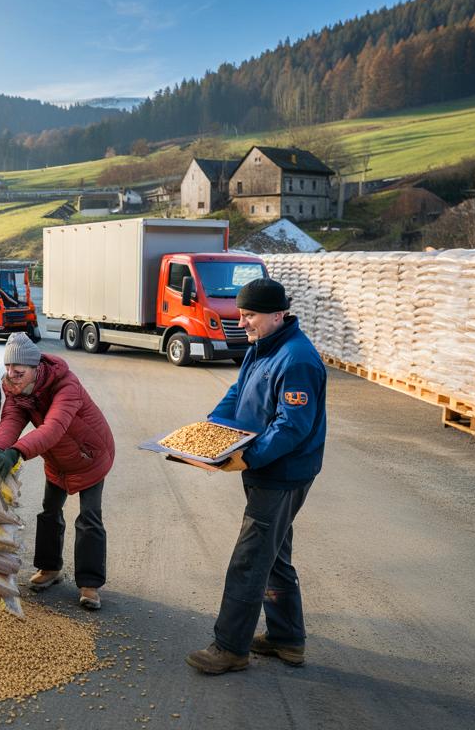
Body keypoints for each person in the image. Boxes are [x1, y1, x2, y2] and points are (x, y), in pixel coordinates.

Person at [185, 277, 327, 675]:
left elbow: (291, 427)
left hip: (280, 473)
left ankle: (230, 648)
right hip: (266, 469)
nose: (242, 322)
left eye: (250, 316)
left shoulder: (297, 359)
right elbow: (238, 393)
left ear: (278, 314)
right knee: (275, 555)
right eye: (241, 314)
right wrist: (211, 429)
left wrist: (250, 458)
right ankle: (287, 638)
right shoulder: (263, 348)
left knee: (250, 560)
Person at [0, 332, 114, 610]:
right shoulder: (17, 389)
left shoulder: (66, 386)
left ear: (35, 368)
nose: (11, 373)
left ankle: (89, 585)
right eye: (7, 367)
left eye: (18, 369)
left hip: (90, 456)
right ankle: (50, 569)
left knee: (89, 517)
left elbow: (53, 427)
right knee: (49, 512)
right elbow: (11, 420)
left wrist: (17, 452)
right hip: (57, 459)